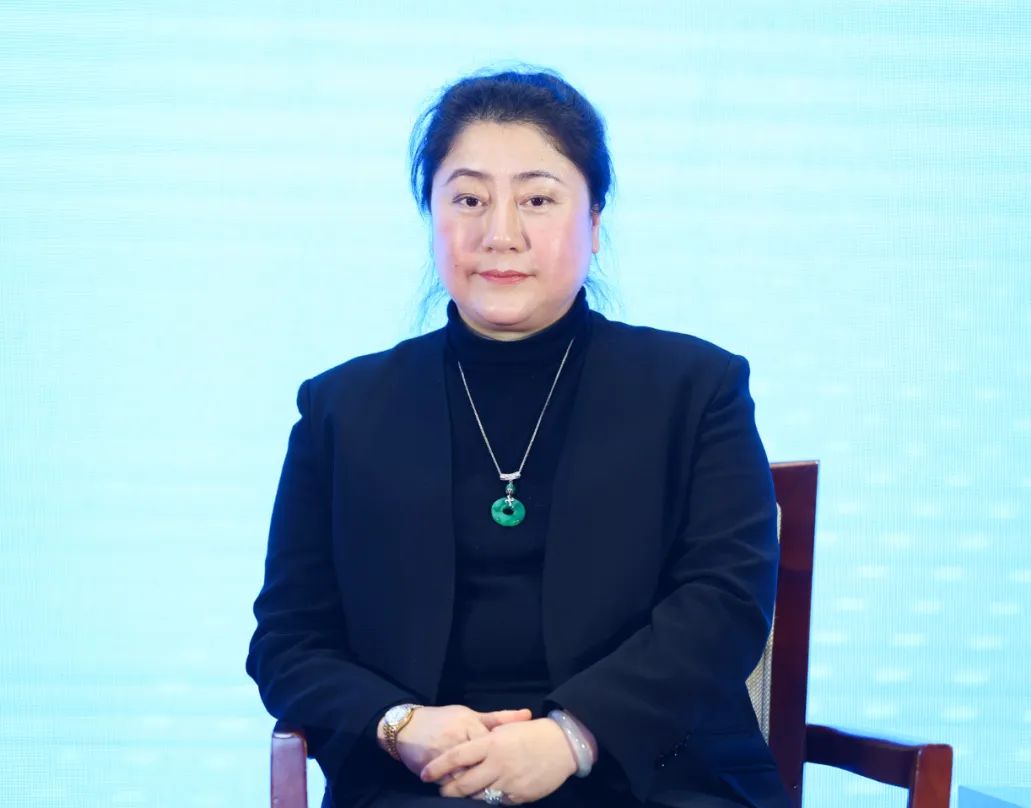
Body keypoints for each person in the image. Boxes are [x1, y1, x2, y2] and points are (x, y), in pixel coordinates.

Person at [246, 67, 789, 808]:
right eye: (468, 199)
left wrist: (572, 737)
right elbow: (288, 641)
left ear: (595, 222)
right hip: (426, 781)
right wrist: (400, 724)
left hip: (655, 776)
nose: (500, 234)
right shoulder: (342, 410)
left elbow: (726, 604)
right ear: (431, 216)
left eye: (537, 199)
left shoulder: (697, 389)